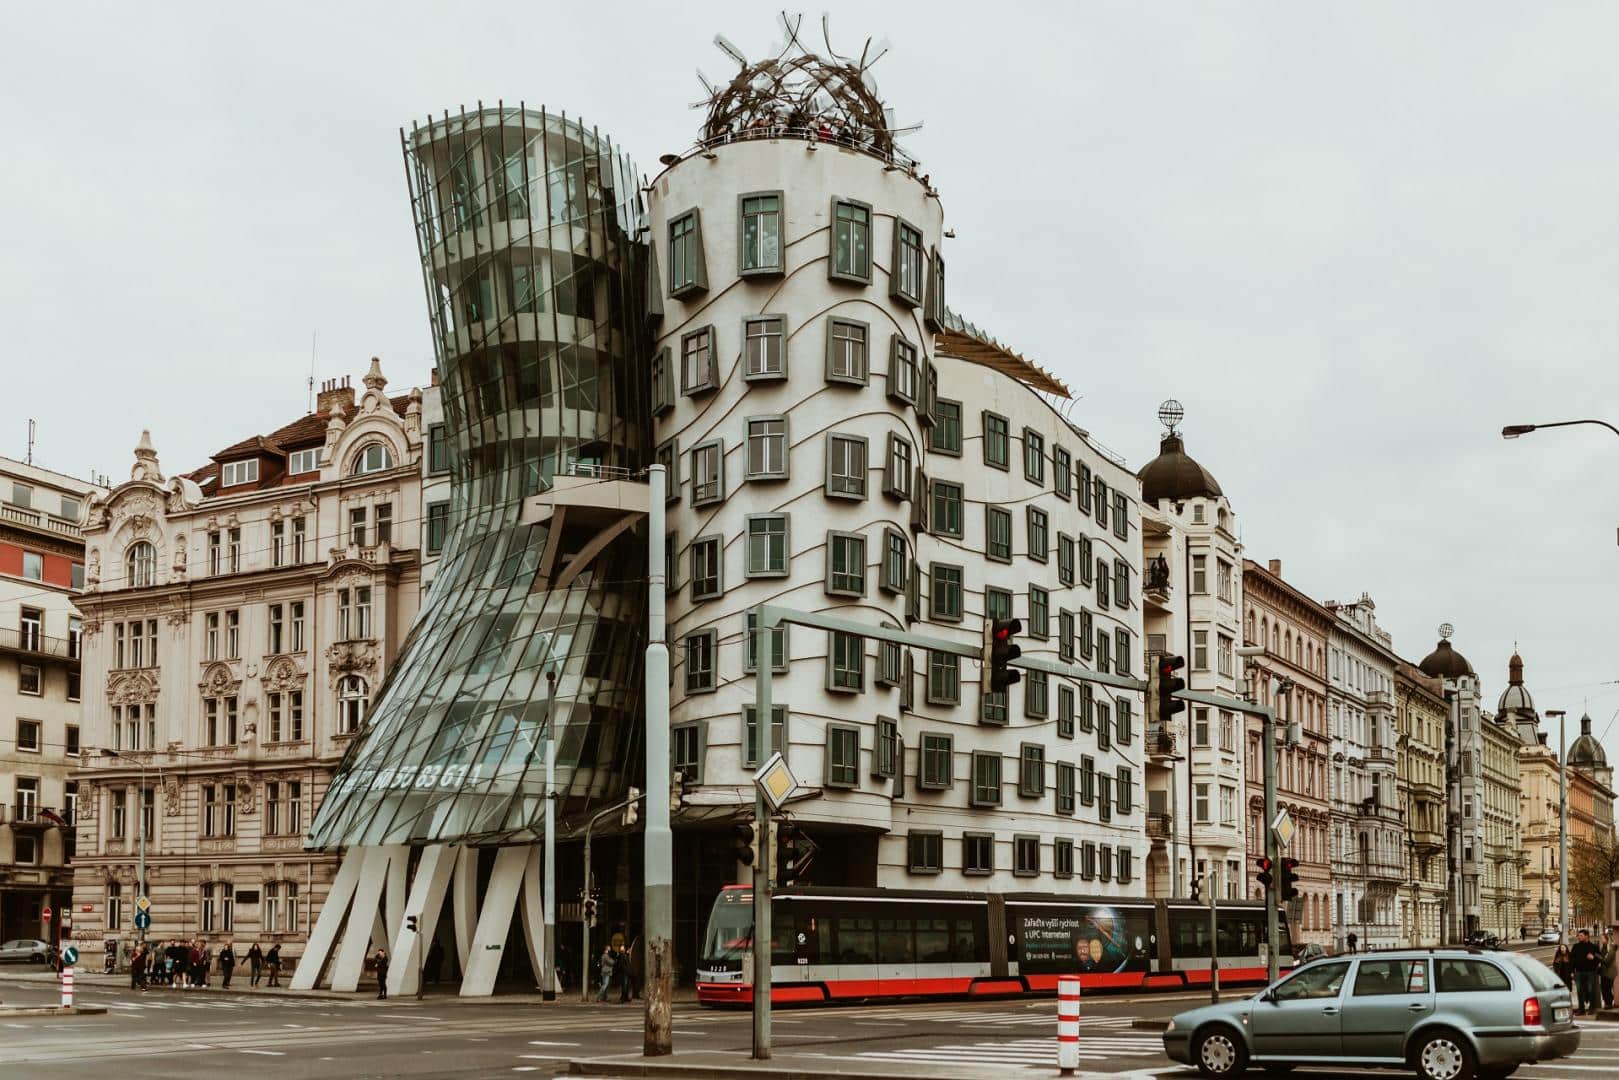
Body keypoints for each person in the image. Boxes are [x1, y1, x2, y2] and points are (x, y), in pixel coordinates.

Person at [1571, 929, 1603, 1014]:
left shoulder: (1593, 947)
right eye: (1578, 935)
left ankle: (1591, 1008)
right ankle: (1581, 1009)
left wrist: (1593, 958)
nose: (1579, 937)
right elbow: (1572, 959)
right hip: (1578, 972)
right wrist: (1572, 971)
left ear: (1586, 936)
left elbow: (1600, 958)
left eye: (1581, 935)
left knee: (1590, 990)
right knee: (1579, 991)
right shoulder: (1576, 946)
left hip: (1590, 972)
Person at [1602, 931, 1618, 1010]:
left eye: (1602, 938)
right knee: (1605, 988)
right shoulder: (1606, 948)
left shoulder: (1611, 949)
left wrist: (1597, 958)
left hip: (1609, 972)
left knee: (1607, 988)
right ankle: (1607, 1003)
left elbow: (1606, 961)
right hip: (1606, 972)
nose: (1601, 940)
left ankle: (1608, 1004)